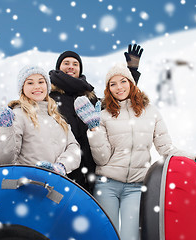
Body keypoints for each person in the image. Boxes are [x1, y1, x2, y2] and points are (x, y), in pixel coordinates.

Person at [74, 63, 196, 240]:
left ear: (131, 83)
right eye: (113, 84)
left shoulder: (150, 112)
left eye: (123, 81)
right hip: (107, 185)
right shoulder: (104, 115)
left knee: (130, 237)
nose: (119, 87)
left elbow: (166, 148)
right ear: (108, 89)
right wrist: (94, 129)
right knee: (106, 236)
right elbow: (102, 159)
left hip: (136, 186)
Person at [48, 44, 143, 193]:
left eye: (75, 64)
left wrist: (131, 72)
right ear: (59, 67)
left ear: (80, 69)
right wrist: (0, 124)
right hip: (62, 167)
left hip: (91, 169)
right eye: (66, 63)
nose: (71, 67)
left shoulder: (90, 98)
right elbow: (27, 112)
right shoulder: (48, 98)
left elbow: (117, 100)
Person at [0, 65, 81, 175]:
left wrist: (61, 166)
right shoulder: (18, 115)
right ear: (22, 88)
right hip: (27, 184)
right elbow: (2, 162)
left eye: (41, 82)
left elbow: (74, 148)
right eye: (30, 83)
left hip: (56, 185)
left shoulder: (58, 119)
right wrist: (5, 128)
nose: (37, 86)